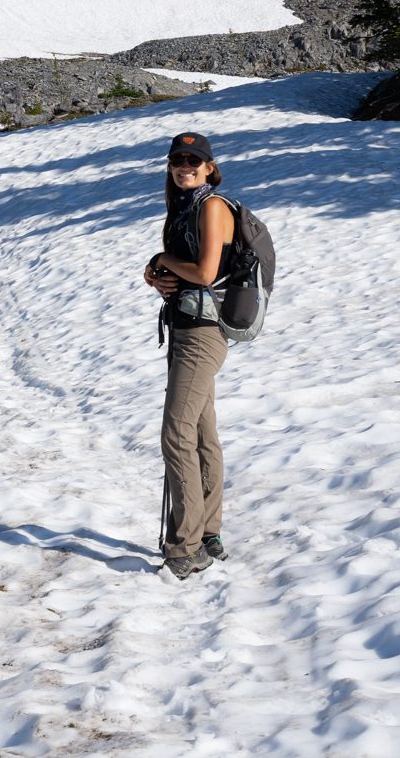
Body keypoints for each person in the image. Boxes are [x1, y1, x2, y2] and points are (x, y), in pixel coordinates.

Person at [142, 130, 233, 579]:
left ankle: (185, 546)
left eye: (194, 160)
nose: (185, 166)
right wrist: (157, 275)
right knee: (199, 434)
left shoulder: (212, 206)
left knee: (176, 434)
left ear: (210, 167)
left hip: (202, 334)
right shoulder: (184, 208)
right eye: (178, 159)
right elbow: (180, 272)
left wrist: (162, 258)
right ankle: (209, 534)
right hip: (185, 328)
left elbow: (206, 272)